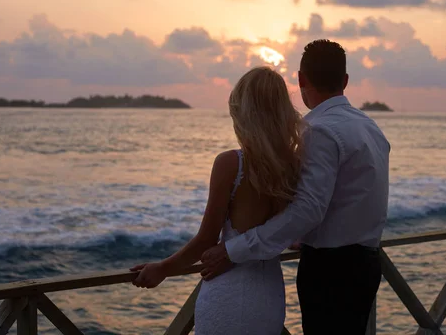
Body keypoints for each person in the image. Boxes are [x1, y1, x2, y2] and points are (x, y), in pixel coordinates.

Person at [201, 39, 391, 334]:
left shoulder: (319, 130)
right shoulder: (370, 127)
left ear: (301, 79)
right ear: (345, 81)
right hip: (367, 264)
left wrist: (233, 250)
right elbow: (351, 199)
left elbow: (309, 209)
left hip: (331, 271)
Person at [130, 67, 306, 334]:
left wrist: (162, 268)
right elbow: (290, 228)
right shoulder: (294, 166)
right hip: (268, 298)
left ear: (243, 114)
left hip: (228, 296)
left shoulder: (231, 164)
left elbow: (206, 240)